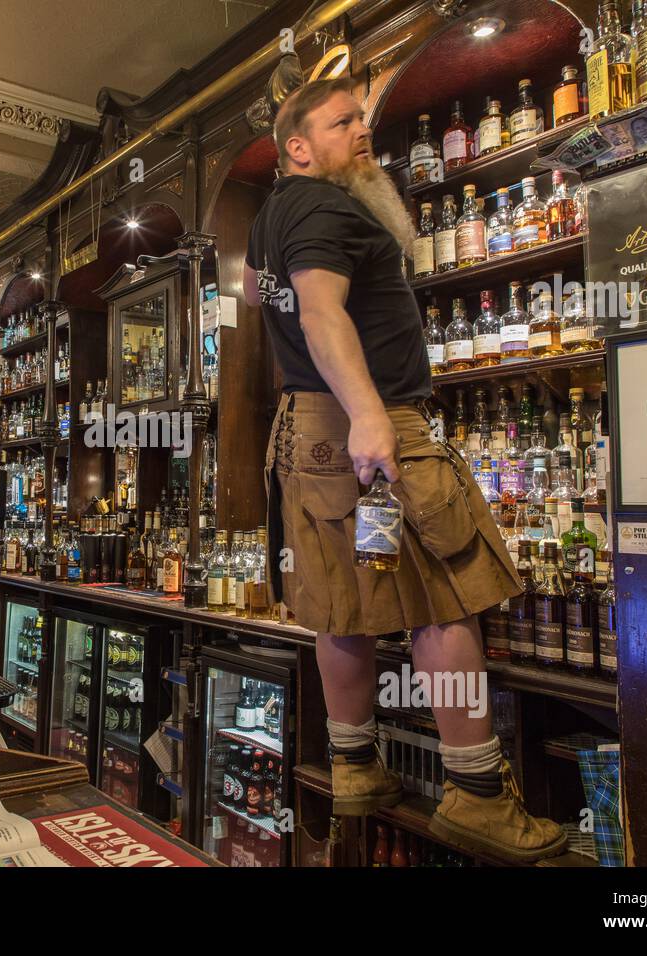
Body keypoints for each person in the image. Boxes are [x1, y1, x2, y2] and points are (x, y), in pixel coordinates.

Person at [242, 76, 565, 862]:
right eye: (343, 121)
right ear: (298, 146)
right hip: (366, 425)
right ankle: (477, 795)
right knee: (442, 594)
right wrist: (372, 416)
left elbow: (265, 301)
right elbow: (319, 314)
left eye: (362, 117)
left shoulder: (270, 217)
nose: (362, 131)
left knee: (343, 601)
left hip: (310, 436)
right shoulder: (321, 204)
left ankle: (354, 767)